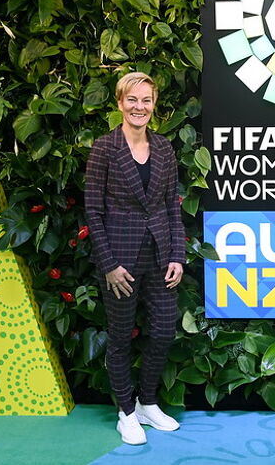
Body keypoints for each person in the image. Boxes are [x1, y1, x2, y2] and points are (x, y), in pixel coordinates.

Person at [84, 72, 185, 445]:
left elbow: (171, 206)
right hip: (120, 262)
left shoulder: (164, 148)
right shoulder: (104, 148)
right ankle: (126, 412)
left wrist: (177, 253)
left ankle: (147, 403)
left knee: (161, 332)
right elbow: (93, 211)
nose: (139, 107)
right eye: (132, 100)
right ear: (119, 103)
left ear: (154, 104)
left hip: (161, 256)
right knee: (121, 337)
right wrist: (109, 264)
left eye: (145, 100)